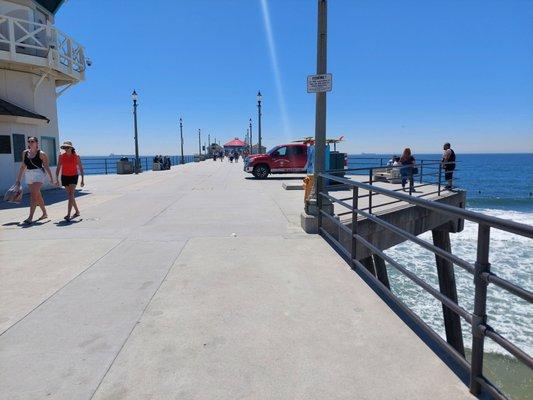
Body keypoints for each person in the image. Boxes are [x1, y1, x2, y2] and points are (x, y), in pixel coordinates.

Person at [14, 136, 55, 224]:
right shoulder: (25, 153)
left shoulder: (42, 154)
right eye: (29, 141)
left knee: (33, 195)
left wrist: (52, 178)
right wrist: (18, 180)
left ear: (37, 143)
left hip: (39, 174)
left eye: (32, 141)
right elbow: (23, 166)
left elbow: (47, 167)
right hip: (28, 174)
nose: (30, 143)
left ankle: (30, 217)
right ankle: (44, 213)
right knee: (37, 195)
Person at [56, 141, 85, 221]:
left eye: (67, 147)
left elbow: (81, 168)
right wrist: (56, 178)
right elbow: (58, 167)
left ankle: (68, 215)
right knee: (70, 196)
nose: (66, 149)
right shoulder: (61, 156)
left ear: (71, 148)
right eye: (65, 147)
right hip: (64, 177)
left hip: (73, 176)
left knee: (71, 194)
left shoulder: (76, 156)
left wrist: (82, 180)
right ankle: (77, 211)